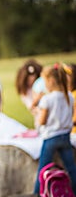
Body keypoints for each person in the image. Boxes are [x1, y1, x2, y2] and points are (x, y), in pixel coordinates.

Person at [33, 63, 76, 195]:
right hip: (65, 137)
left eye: (44, 81)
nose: (44, 85)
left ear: (51, 80)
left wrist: (38, 113)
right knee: (71, 168)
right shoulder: (69, 96)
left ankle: (36, 193)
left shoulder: (47, 99)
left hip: (51, 138)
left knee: (43, 168)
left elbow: (42, 121)